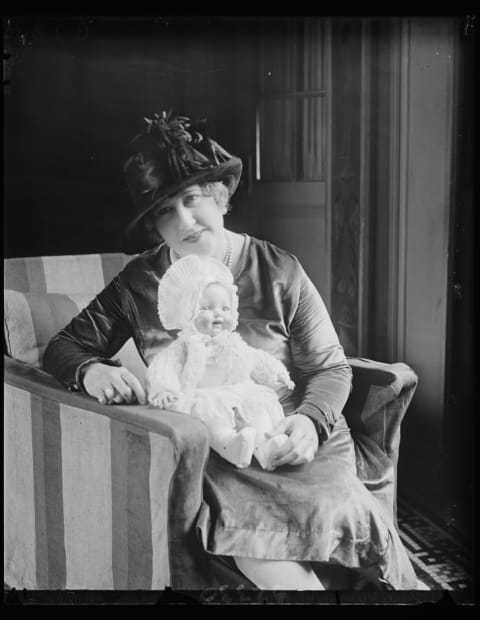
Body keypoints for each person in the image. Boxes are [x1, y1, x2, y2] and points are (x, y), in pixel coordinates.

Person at [43, 109, 418, 591]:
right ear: (153, 225)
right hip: (220, 448)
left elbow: (329, 368)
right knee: (263, 552)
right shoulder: (138, 282)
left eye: (193, 199)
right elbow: (65, 346)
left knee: (344, 518)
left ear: (219, 196)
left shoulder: (278, 269)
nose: (184, 220)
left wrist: (308, 422)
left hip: (293, 430)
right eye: (164, 211)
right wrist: (90, 370)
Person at [147, 253, 295, 470]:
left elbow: (257, 359)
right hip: (204, 395)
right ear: (189, 311)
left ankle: (266, 447)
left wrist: (277, 374)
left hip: (241, 392)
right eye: (206, 308)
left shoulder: (234, 342)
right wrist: (164, 390)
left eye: (225, 308)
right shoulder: (186, 345)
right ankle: (230, 445)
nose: (218, 314)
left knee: (259, 411)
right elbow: (163, 367)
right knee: (211, 419)